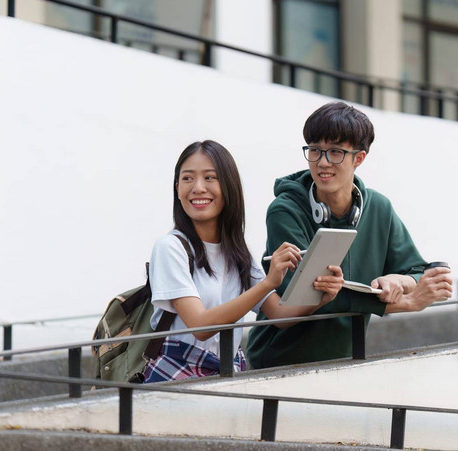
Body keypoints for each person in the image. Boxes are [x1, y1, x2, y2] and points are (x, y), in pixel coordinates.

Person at [246, 101, 453, 369]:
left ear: (359, 158)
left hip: (344, 360)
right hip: (277, 360)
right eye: (315, 150)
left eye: (335, 152)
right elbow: (307, 293)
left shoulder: (379, 208)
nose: (322, 162)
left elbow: (416, 271)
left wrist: (397, 280)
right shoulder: (284, 210)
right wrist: (408, 303)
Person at [143, 140, 344, 382]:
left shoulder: (237, 252)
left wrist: (321, 297)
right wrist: (268, 283)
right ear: (177, 188)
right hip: (176, 377)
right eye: (187, 178)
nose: (197, 188)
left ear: (229, 187)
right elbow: (199, 325)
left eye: (210, 178)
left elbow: (280, 315)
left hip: (225, 373)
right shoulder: (170, 247)